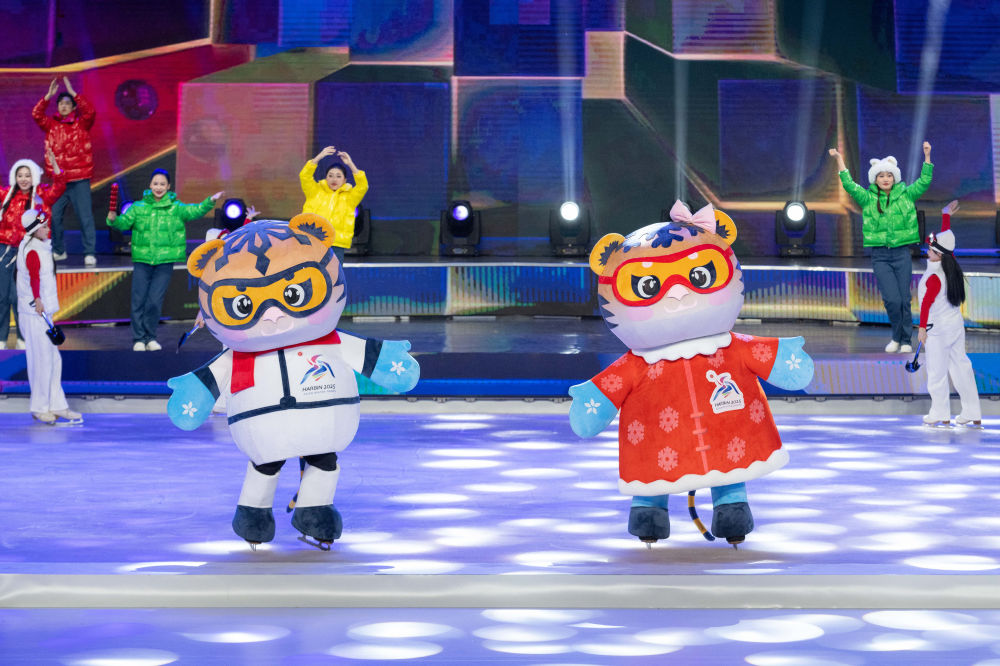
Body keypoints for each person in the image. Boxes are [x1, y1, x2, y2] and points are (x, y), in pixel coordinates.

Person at [830, 141, 934, 354]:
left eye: (889, 175)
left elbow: (924, 181)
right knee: (891, 300)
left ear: (894, 177)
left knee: (904, 299)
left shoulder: (906, 195)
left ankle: (905, 340)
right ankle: (896, 337)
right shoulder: (867, 198)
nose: (885, 179)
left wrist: (927, 157)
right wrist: (839, 159)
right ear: (875, 179)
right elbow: (849, 184)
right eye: (881, 176)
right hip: (880, 256)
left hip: (901, 253)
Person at [106, 168, 222, 351]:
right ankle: (139, 339)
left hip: (164, 262)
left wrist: (210, 201)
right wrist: (113, 219)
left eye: (162, 184)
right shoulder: (138, 207)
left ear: (168, 186)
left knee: (154, 301)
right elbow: (123, 223)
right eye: (155, 183)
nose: (158, 187)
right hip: (142, 260)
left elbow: (195, 211)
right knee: (138, 301)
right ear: (150, 185)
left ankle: (150, 337)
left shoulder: (176, 208)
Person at [917, 200, 982, 428]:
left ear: (939, 255)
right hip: (955, 326)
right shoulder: (950, 263)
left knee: (937, 372)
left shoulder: (934, 277)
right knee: (962, 367)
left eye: (931, 250)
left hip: (938, 330)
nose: (928, 251)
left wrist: (922, 328)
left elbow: (926, 305)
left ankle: (940, 413)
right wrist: (945, 215)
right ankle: (972, 412)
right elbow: (946, 241)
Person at [16, 209, 82, 425]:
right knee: (41, 361)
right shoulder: (32, 250)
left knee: (53, 359)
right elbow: (34, 277)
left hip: (42, 314)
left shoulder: (41, 247)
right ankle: (39, 407)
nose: (47, 229)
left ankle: (57, 404)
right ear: (35, 230)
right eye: (43, 226)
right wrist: (37, 299)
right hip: (35, 313)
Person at [0, 149, 65, 350]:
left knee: (22, 297)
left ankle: (23, 337)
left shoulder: (41, 196)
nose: (24, 179)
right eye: (20, 175)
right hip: (5, 250)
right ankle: (1, 338)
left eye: (27, 175)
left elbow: (59, 187)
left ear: (34, 177)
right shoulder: (6, 195)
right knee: (2, 297)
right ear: (15, 177)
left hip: (27, 252)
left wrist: (55, 166)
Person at [32, 77, 98, 266]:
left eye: (68, 103)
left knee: (85, 218)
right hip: (59, 182)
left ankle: (89, 252)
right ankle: (59, 250)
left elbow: (90, 111)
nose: (64, 106)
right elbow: (36, 114)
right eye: (61, 103)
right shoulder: (50, 125)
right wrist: (48, 96)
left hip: (79, 179)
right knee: (53, 216)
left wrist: (74, 93)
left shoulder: (82, 123)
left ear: (74, 107)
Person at [299, 146, 368, 261]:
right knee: (309, 271)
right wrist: (319, 157)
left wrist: (350, 164)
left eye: (338, 176)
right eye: (330, 176)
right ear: (326, 178)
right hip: (312, 240)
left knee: (333, 272)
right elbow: (304, 176)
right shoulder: (315, 191)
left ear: (345, 180)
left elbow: (363, 186)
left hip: (336, 243)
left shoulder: (350, 197)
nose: (334, 179)